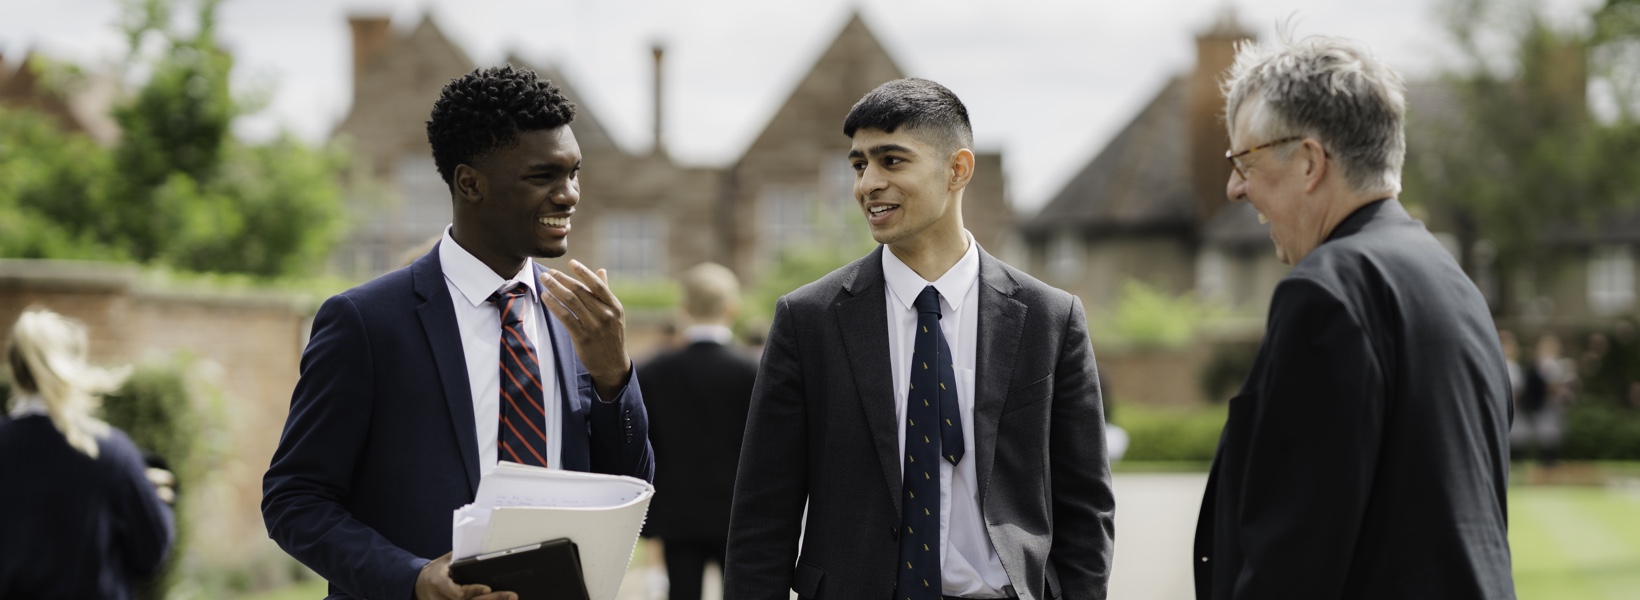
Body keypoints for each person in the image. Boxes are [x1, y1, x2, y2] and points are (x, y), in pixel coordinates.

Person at [262, 65, 654, 600]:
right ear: (470, 183)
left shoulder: (580, 321)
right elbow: (294, 499)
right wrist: (412, 577)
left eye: (574, 173)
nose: (569, 195)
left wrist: (614, 378)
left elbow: (630, 491)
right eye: (544, 176)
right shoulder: (366, 322)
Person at [726, 78, 1115, 600]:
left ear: (958, 170)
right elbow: (762, 513)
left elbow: (1086, 506)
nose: (868, 184)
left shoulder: (1050, 318)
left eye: (891, 161)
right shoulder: (808, 319)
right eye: (859, 165)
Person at [1194, 33, 1515, 599]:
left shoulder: (1327, 293)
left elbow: (1293, 561)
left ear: (1310, 161)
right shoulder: (1454, 285)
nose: (1234, 187)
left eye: (1245, 160)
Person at [0, 308, 175, 599]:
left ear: (15, 371)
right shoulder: (110, 453)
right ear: (75, 367)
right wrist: (159, 498)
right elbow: (152, 554)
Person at [639, 262, 758, 600]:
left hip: (677, 512)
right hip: (737, 513)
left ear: (684, 309)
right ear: (732, 308)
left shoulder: (653, 372)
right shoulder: (753, 372)